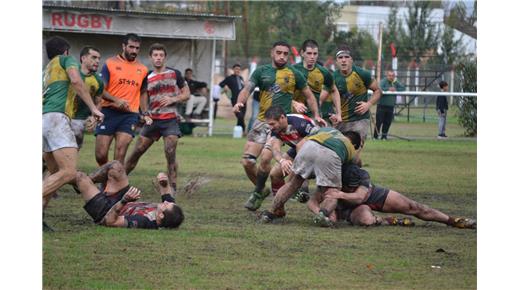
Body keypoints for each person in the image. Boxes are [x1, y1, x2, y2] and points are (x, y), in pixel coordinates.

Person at [233, 41, 326, 207]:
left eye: (285, 53)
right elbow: (247, 89)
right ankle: (261, 189)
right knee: (247, 161)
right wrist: (239, 102)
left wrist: (317, 115)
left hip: (282, 124)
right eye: (279, 52)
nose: (282, 56)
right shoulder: (261, 71)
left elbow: (310, 96)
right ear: (272, 53)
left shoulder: (294, 73)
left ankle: (263, 194)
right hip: (262, 122)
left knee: (266, 158)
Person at [42, 36, 104, 231]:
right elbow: (77, 81)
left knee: (53, 174)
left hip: (44, 119)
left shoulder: (47, 70)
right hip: (57, 118)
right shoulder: (66, 60)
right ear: (67, 51)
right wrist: (93, 108)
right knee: (68, 172)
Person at [307, 164, 476, 229]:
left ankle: (451, 220)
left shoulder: (362, 175)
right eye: (347, 187)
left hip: (372, 196)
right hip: (353, 208)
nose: (350, 188)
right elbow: (312, 201)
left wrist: (342, 194)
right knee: (366, 221)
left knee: (414, 207)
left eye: (353, 186)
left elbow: (359, 196)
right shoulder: (331, 180)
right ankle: (384, 220)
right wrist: (320, 215)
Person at [125, 43, 190, 194]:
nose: (158, 58)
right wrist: (145, 113)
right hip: (153, 120)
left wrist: (173, 99)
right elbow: (142, 96)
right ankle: (119, 181)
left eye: (161, 55)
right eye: (155, 55)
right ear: (151, 58)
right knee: (136, 152)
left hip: (170, 120)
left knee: (170, 150)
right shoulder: (146, 76)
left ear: (165, 57)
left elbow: (186, 94)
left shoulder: (175, 74)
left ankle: (172, 187)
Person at [259, 127, 361, 223]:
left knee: (292, 184)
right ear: (355, 145)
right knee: (332, 191)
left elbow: (302, 142)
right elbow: (356, 165)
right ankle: (322, 215)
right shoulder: (351, 149)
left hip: (308, 147)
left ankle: (270, 213)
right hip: (330, 154)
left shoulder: (328, 130)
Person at [243, 105, 319, 211]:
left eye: (272, 124)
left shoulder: (300, 123)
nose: (270, 127)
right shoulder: (276, 129)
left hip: (320, 151)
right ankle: (279, 209)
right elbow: (275, 149)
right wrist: (282, 161)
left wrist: (297, 173)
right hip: (298, 152)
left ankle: (301, 186)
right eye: (269, 124)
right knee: (275, 174)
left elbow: (316, 140)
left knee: (300, 146)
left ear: (282, 118)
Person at [75, 161, 184, 229]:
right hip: (121, 199)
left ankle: (81, 183)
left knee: (79, 176)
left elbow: (110, 222)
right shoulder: (171, 212)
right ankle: (86, 182)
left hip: (105, 211)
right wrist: (164, 181)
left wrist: (124, 201)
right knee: (116, 167)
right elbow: (166, 190)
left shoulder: (144, 222)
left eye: (166, 205)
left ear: (161, 215)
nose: (165, 202)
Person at [95, 33, 149, 167]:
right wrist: (116, 100)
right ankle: (105, 178)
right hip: (108, 112)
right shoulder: (110, 63)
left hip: (130, 115)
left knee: (120, 155)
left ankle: (113, 185)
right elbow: (101, 90)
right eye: (131, 47)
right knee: (101, 155)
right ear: (123, 46)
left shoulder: (142, 69)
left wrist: (145, 113)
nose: (134, 51)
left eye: (137, 48)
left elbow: (142, 93)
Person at [333, 45, 382, 163]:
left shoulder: (362, 74)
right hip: (341, 121)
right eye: (340, 57)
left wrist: (368, 104)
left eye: (346, 57)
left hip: (360, 120)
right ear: (337, 61)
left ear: (351, 59)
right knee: (341, 154)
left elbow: (378, 91)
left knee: (353, 155)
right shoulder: (333, 77)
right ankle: (356, 172)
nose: (343, 60)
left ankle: (356, 176)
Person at [291, 39, 341, 125]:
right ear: (302, 53)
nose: (312, 57)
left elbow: (334, 90)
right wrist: (294, 103)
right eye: (309, 53)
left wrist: (339, 114)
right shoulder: (292, 70)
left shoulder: (323, 72)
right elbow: (282, 93)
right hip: (295, 115)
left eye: (315, 54)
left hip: (315, 117)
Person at [71, 46, 104, 148]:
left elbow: (99, 102)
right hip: (63, 117)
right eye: (93, 57)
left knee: (73, 151)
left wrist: (94, 118)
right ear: (83, 58)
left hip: (80, 121)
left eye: (99, 58)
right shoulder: (71, 73)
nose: (97, 61)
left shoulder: (98, 81)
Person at [374, 70, 405, 140]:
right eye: (390, 75)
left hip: (391, 107)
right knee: (379, 122)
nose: (391, 77)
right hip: (381, 106)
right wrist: (388, 89)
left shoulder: (395, 82)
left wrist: (395, 88)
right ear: (387, 76)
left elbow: (403, 88)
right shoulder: (383, 81)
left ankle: (384, 136)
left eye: (393, 76)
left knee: (387, 122)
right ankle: (375, 137)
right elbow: (380, 88)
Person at [219, 64, 246, 131]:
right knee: (239, 115)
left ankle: (238, 131)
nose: (238, 70)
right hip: (235, 100)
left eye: (239, 69)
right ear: (233, 70)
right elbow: (221, 84)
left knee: (242, 116)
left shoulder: (241, 78)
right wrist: (225, 86)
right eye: (236, 69)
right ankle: (243, 129)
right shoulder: (229, 78)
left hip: (244, 100)